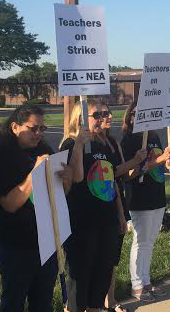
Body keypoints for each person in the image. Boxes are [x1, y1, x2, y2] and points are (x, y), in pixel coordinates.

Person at [0, 105, 74, 312]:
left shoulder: (44, 151)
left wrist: (66, 179)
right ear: (15, 127)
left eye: (42, 128)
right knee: (14, 299)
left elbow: (59, 195)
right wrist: (34, 174)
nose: (38, 134)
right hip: (15, 243)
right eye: (33, 128)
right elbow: (11, 204)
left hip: (46, 240)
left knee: (43, 301)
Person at [60, 100, 145, 312]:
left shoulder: (105, 144)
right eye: (96, 115)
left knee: (103, 271)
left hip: (106, 218)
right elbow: (77, 177)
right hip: (82, 220)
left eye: (105, 113)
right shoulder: (69, 145)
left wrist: (119, 215)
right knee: (81, 276)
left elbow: (112, 182)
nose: (102, 118)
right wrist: (79, 144)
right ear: (81, 118)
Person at [120, 101, 170, 302]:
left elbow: (157, 164)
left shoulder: (154, 136)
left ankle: (146, 280)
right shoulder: (129, 141)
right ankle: (136, 285)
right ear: (130, 116)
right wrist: (159, 161)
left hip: (157, 193)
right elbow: (131, 173)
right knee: (140, 241)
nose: (140, 117)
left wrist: (167, 161)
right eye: (135, 113)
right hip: (139, 196)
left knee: (150, 242)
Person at [99, 102, 132, 312]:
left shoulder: (112, 141)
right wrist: (134, 161)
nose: (108, 116)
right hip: (98, 205)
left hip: (116, 198)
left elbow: (120, 172)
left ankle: (109, 299)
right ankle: (95, 301)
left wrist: (138, 165)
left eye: (109, 113)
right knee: (99, 257)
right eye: (103, 114)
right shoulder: (87, 144)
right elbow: (113, 171)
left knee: (112, 258)